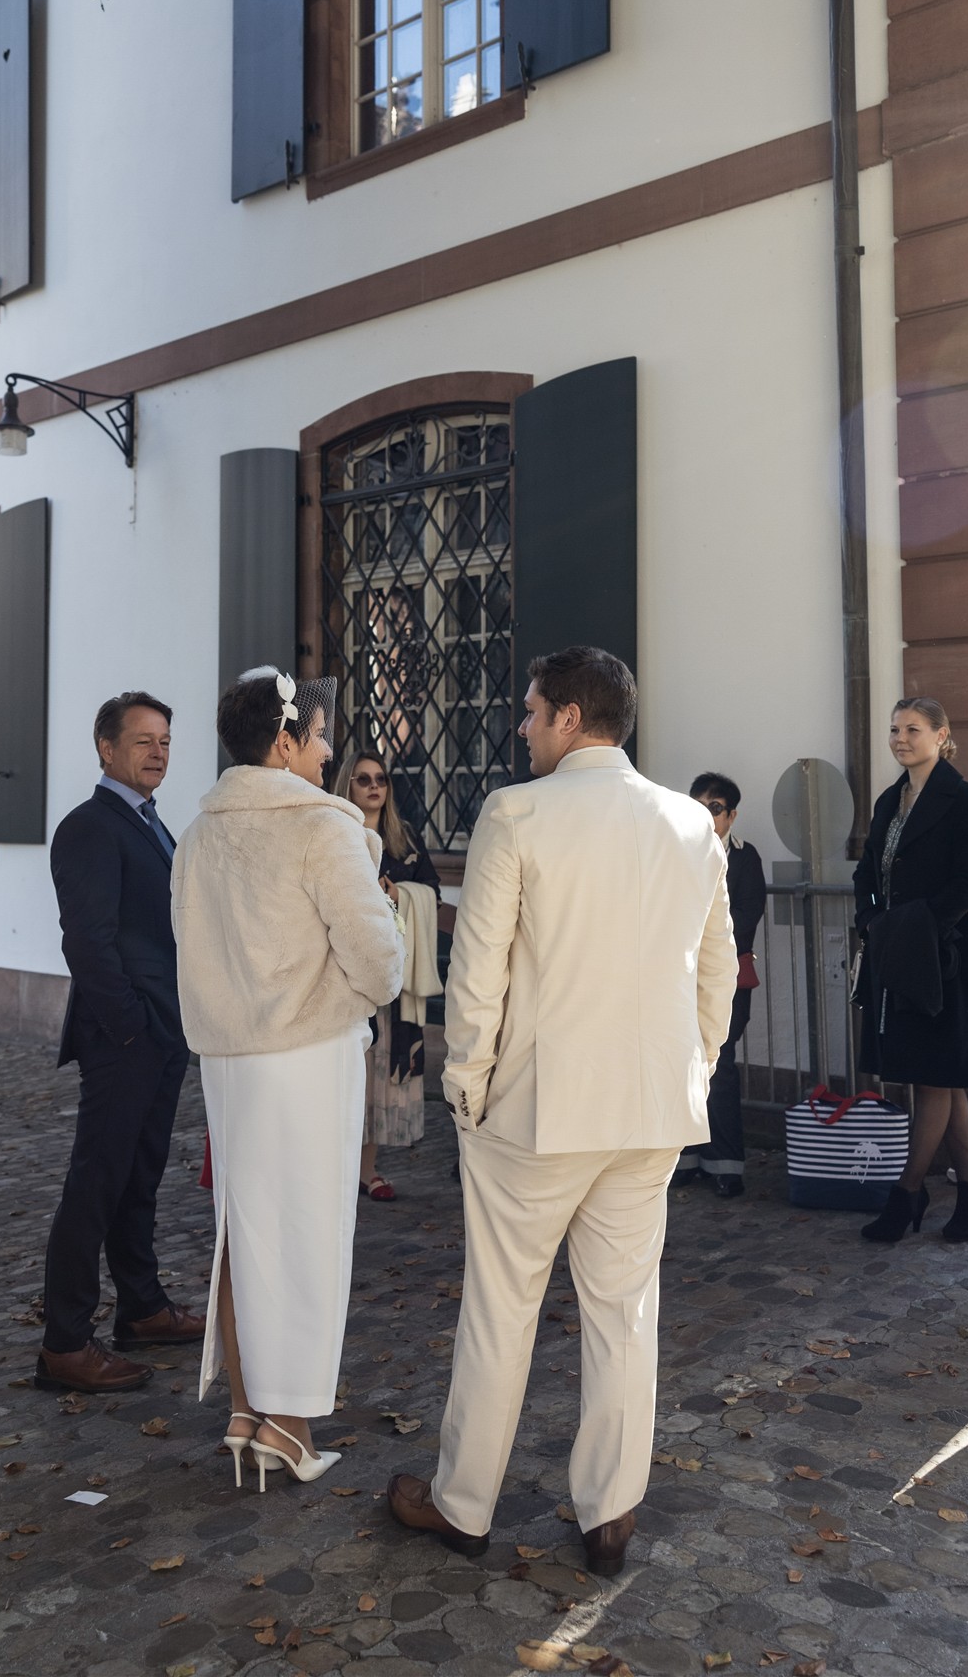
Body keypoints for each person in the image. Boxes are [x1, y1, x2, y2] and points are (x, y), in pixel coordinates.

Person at [387, 646, 737, 1575]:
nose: (522, 725)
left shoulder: (517, 812)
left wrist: (464, 1079)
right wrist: (693, 1066)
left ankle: (464, 1504)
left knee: (501, 1309)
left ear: (572, 719)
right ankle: (610, 1514)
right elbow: (715, 971)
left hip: (534, 1109)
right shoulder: (689, 824)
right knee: (623, 1313)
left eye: (533, 711)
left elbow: (479, 966)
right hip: (649, 1109)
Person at [172, 669, 404, 1485]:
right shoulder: (322, 825)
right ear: (284, 740)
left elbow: (187, 942)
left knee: (245, 1227)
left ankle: (246, 1409)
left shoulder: (200, 831)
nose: (331, 750)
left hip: (230, 1060)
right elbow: (379, 959)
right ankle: (291, 1427)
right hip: (306, 1054)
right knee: (304, 1231)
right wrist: (352, 992)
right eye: (318, 735)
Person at [37, 692, 205, 1396]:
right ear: (106, 749)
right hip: (123, 1038)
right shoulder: (89, 827)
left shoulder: (152, 822)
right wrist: (132, 1026)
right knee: (96, 1183)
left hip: (164, 1033)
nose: (158, 752)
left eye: (164, 740)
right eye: (142, 741)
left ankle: (140, 1308)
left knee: (139, 1178)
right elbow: (89, 942)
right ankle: (65, 1343)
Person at [853, 696, 968, 1244]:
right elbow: (868, 871)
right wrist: (873, 921)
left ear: (941, 735)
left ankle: (908, 1193)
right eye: (894, 729)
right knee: (943, 1079)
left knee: (935, 1078)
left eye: (913, 729)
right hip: (895, 950)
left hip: (940, 956)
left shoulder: (964, 798)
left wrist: (916, 926)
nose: (900, 738)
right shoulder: (890, 799)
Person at [335, 748, 442, 1202]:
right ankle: (335, 1167)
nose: (374, 786)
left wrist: (399, 892)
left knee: (380, 1073)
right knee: (347, 1073)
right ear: (348, 785)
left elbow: (432, 893)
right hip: (346, 977)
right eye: (363, 779)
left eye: (380, 778)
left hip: (395, 979)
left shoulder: (405, 840)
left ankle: (367, 1169)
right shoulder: (335, 835)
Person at [672, 772, 767, 1198]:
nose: (706, 815)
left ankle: (726, 1163)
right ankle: (685, 1159)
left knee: (720, 1066)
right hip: (680, 976)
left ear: (731, 815)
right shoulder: (676, 851)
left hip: (728, 977)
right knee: (681, 1067)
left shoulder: (746, 859)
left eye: (714, 808)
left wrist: (708, 946)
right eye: (699, 805)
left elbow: (747, 915)